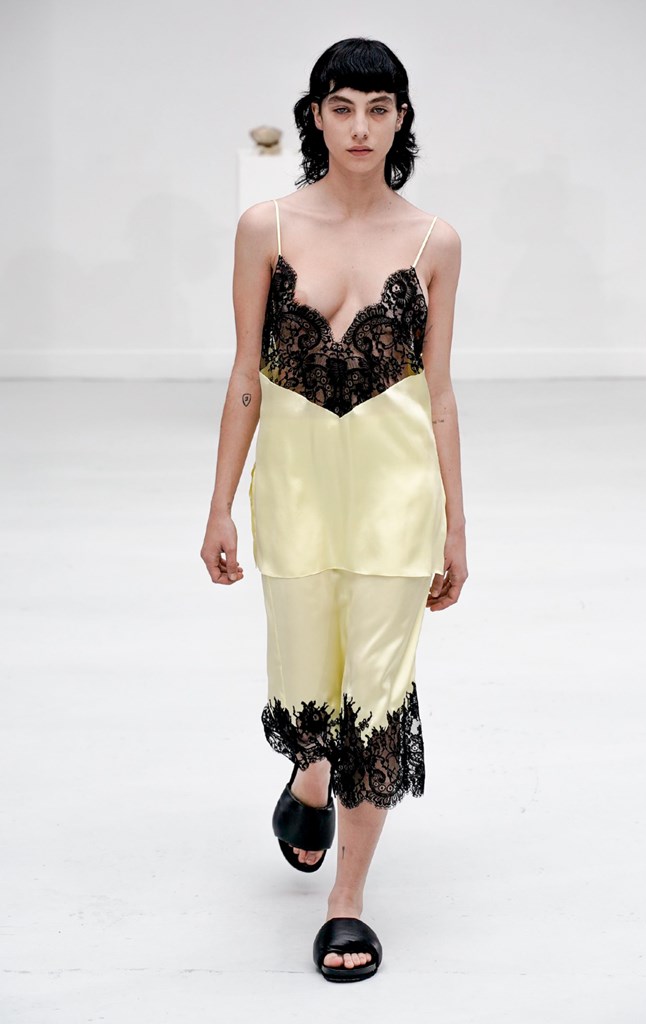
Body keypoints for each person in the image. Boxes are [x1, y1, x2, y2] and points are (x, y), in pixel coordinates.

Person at [200, 36, 467, 982]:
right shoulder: (265, 228)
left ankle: (345, 900)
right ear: (315, 116)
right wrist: (220, 507)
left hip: (397, 501)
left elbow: (438, 390)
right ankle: (309, 775)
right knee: (307, 675)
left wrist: (456, 525)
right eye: (342, 106)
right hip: (295, 499)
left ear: (400, 120)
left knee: (378, 693)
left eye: (378, 108)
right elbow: (245, 373)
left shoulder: (434, 242)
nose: (360, 126)